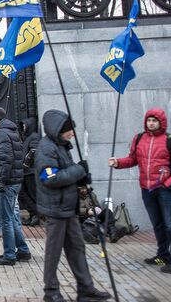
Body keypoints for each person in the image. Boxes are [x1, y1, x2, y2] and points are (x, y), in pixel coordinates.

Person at [35, 109, 111, 302]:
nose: (72, 133)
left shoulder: (62, 146)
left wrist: (82, 178)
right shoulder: (46, 148)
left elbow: (66, 173)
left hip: (69, 208)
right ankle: (51, 292)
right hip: (56, 208)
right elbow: (50, 178)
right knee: (54, 253)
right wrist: (78, 170)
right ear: (57, 129)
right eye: (68, 130)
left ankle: (85, 288)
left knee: (77, 248)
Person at [109, 108, 171, 274]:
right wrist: (118, 162)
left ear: (161, 122)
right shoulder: (139, 138)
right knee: (158, 225)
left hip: (165, 191)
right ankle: (163, 255)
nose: (151, 123)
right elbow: (132, 159)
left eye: (154, 120)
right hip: (147, 190)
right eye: (149, 120)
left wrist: (168, 185)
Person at [0, 107, 31, 266]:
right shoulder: (9, 131)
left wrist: (2, 181)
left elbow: (6, 159)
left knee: (6, 219)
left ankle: (9, 255)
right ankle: (23, 250)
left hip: (8, 181)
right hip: (15, 180)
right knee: (11, 216)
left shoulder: (1, 134)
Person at [18, 118, 40, 226]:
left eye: (25, 126)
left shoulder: (34, 136)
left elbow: (34, 150)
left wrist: (26, 164)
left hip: (31, 171)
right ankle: (34, 213)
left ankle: (36, 214)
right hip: (26, 171)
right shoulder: (26, 137)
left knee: (31, 194)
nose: (23, 128)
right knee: (22, 193)